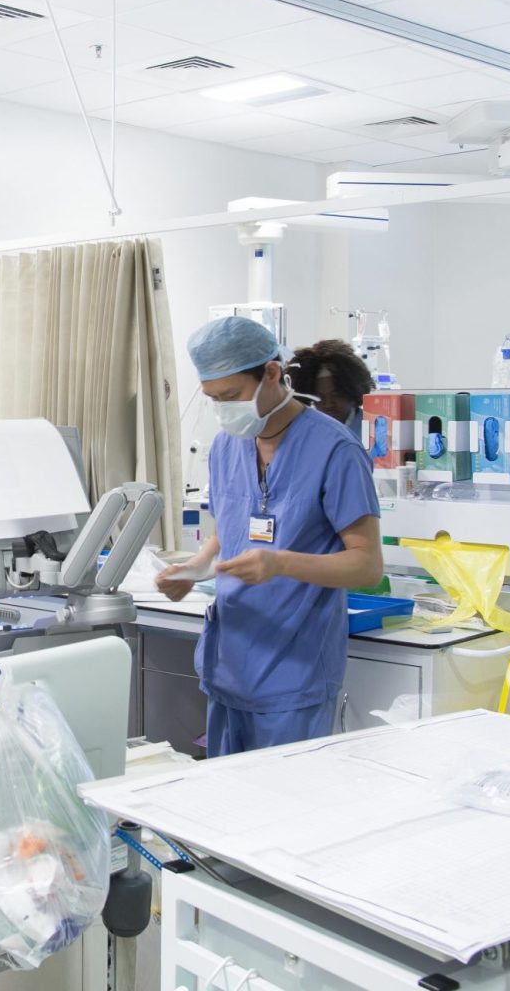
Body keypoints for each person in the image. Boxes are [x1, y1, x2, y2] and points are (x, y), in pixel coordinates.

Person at [155, 317, 383, 756]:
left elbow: (368, 565)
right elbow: (231, 528)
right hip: (231, 662)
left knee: (284, 812)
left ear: (273, 374)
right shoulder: (227, 446)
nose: (223, 410)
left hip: (293, 672)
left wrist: (280, 563)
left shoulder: (335, 451)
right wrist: (195, 568)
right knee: (229, 810)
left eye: (232, 396)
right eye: (213, 399)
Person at [286, 338, 375, 440]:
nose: (328, 404)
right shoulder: (307, 433)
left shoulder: (373, 432)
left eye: (336, 395)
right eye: (319, 397)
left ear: (352, 393)